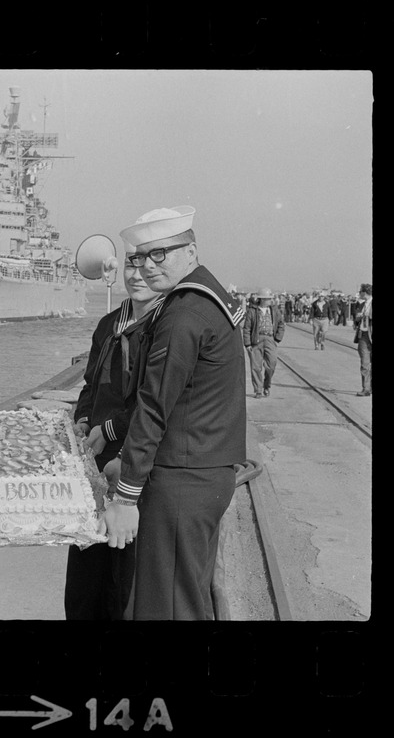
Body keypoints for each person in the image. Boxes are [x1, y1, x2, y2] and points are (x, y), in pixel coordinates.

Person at [101, 206, 247, 620]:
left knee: (164, 606)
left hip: (180, 481)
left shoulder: (182, 313)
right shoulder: (210, 301)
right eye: (141, 256)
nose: (147, 266)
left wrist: (126, 496)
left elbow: (154, 407)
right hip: (206, 471)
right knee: (188, 596)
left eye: (160, 254)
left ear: (191, 251)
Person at [64, 242, 164, 620]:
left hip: (136, 466)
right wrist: (85, 419)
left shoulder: (163, 327)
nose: (137, 275)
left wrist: (110, 428)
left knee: (125, 585)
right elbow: (90, 385)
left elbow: (153, 402)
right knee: (84, 584)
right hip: (95, 464)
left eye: (147, 266)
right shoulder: (108, 325)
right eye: (131, 265)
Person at [243, 287, 285, 398]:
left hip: (270, 339)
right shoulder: (252, 311)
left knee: (271, 364)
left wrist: (277, 339)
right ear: (261, 299)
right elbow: (247, 328)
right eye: (268, 299)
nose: (270, 301)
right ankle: (258, 390)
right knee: (256, 367)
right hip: (256, 340)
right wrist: (247, 344)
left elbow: (281, 324)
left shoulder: (274, 311)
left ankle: (267, 385)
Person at [354, 283, 372, 396]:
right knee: (364, 362)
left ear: (365, 292)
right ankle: (366, 388)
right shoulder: (363, 304)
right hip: (363, 334)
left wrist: (365, 316)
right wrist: (358, 318)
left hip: (370, 334)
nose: (359, 294)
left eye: (360, 292)